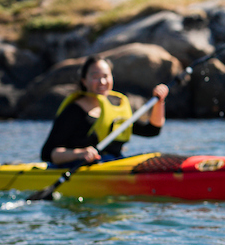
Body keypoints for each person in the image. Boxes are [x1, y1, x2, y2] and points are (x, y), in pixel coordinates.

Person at [40, 55, 169, 165]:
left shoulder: (116, 108)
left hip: (112, 163)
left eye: (106, 76)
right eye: (95, 77)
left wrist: (159, 102)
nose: (102, 82)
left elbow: (152, 130)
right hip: (81, 167)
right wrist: (80, 153)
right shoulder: (74, 111)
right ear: (84, 81)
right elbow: (47, 153)